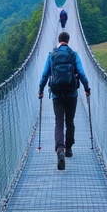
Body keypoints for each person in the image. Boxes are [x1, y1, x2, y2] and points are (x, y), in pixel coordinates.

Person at [38, 31, 90, 170]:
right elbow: (82, 73)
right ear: (68, 40)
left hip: (56, 94)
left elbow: (44, 75)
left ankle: (59, 150)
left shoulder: (52, 55)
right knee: (70, 121)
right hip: (72, 93)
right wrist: (87, 88)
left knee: (59, 122)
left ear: (59, 40)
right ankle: (68, 149)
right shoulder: (74, 55)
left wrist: (41, 90)